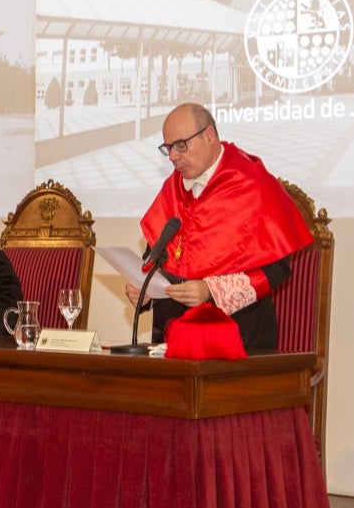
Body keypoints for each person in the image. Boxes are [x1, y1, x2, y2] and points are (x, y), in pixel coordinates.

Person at [126, 102, 313, 357]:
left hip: (239, 339)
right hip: (172, 341)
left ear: (209, 136)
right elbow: (156, 258)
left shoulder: (252, 184)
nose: (172, 157)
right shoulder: (173, 188)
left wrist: (211, 291)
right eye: (167, 148)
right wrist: (144, 291)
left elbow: (277, 267)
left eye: (180, 145)